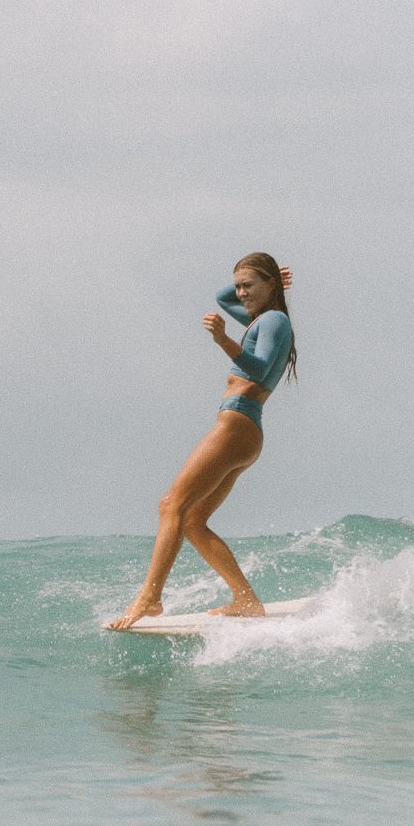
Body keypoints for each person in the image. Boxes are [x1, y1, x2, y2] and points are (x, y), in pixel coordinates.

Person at [107, 253, 298, 631]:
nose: (241, 293)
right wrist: (264, 281)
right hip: (245, 430)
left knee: (171, 505)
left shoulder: (273, 320)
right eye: (239, 285)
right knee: (192, 520)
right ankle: (245, 599)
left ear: (270, 287)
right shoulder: (263, 318)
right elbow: (223, 297)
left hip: (237, 425)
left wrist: (223, 339)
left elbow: (258, 371)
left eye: (249, 285)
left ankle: (150, 597)